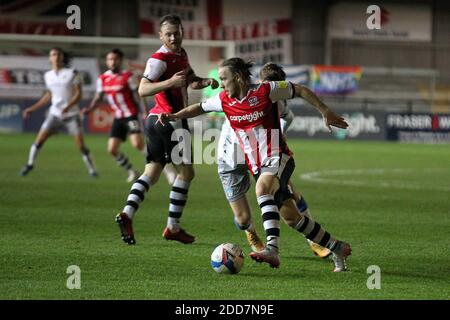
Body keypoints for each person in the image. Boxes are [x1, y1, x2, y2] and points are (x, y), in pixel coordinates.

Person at [159, 57, 352, 272]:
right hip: (258, 165)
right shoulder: (224, 100)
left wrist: (325, 111)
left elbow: (301, 90)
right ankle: (337, 247)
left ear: (239, 78)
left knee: (262, 188)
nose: (221, 84)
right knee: (292, 218)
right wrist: (174, 115)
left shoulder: (266, 90)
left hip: (279, 157)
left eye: (224, 79)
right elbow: (199, 108)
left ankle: (272, 249)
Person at [115, 14, 219, 245]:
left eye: (176, 32)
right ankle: (172, 226)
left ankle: (127, 214)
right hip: (170, 121)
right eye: (168, 34)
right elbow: (143, 89)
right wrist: (169, 83)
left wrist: (205, 82)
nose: (173, 37)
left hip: (156, 123)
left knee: (152, 172)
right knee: (186, 173)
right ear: (160, 36)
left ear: (182, 32)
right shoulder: (158, 59)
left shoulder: (181, 54)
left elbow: (190, 80)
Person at [216, 62, 330, 259]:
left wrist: (276, 135)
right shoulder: (246, 96)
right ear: (261, 82)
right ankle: (250, 232)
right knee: (242, 219)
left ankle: (314, 242)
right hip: (232, 156)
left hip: (265, 155)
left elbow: (289, 117)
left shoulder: (279, 100)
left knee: (291, 193)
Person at [20, 47, 97, 178]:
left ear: (62, 57)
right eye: (53, 55)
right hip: (54, 114)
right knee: (39, 140)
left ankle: (92, 170)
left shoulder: (73, 73)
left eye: (58, 54)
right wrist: (31, 109)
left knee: (80, 145)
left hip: (71, 115)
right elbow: (48, 96)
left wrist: (68, 106)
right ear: (50, 58)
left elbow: (79, 94)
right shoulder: (47, 76)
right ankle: (30, 164)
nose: (55, 57)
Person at [83, 48, 145, 183]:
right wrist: (90, 109)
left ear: (120, 60)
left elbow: (137, 95)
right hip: (118, 117)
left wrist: (144, 111)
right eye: (110, 59)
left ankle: (159, 164)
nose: (112, 62)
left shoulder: (128, 76)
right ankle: (132, 171)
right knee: (112, 149)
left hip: (131, 114)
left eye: (115, 59)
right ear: (106, 61)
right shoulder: (103, 78)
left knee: (137, 144)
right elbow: (98, 97)